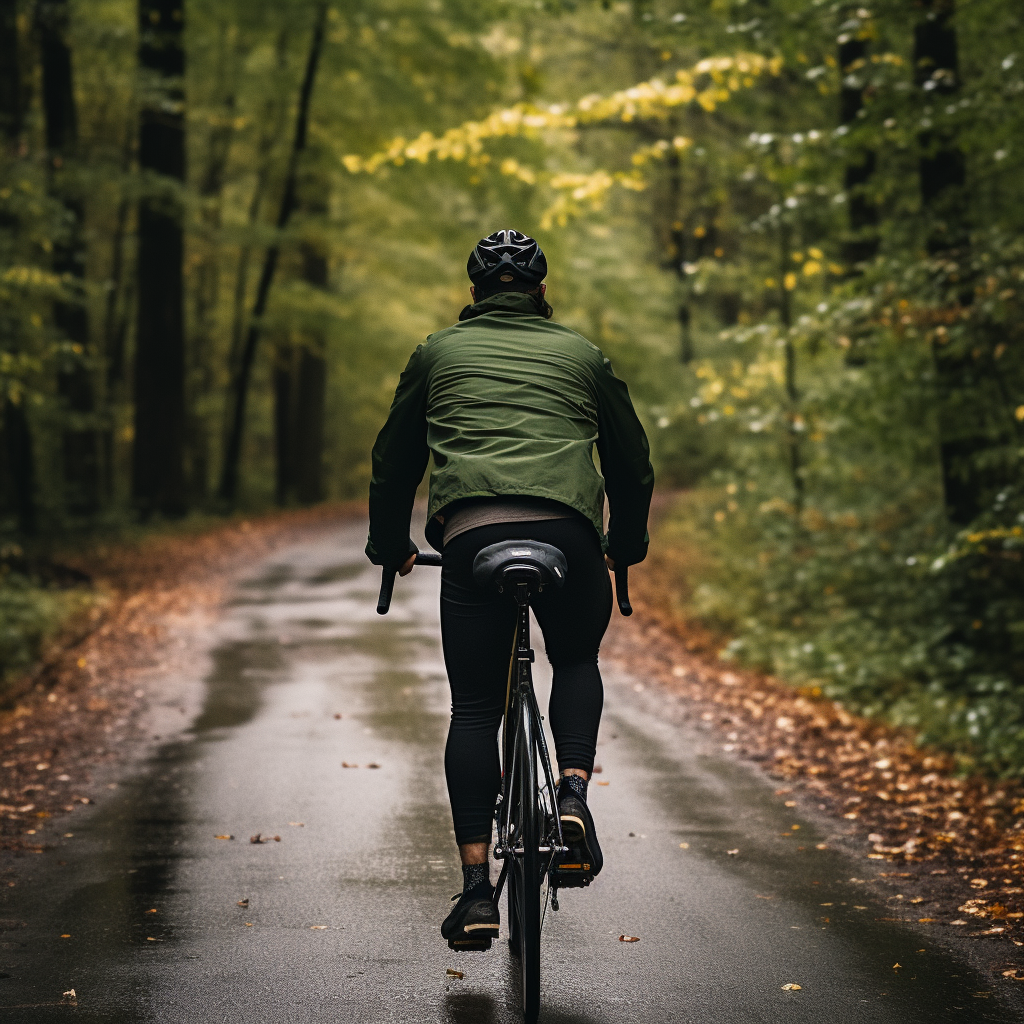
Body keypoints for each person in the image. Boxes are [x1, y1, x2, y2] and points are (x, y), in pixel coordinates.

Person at [366, 229, 654, 947]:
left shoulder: (437, 352)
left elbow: (393, 460)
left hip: (472, 537)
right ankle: (573, 796)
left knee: (473, 707)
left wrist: (390, 543)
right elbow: (632, 463)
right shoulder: (583, 356)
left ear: (474, 295)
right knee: (577, 660)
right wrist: (626, 545)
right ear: (541, 292)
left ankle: (474, 892)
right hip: (570, 538)